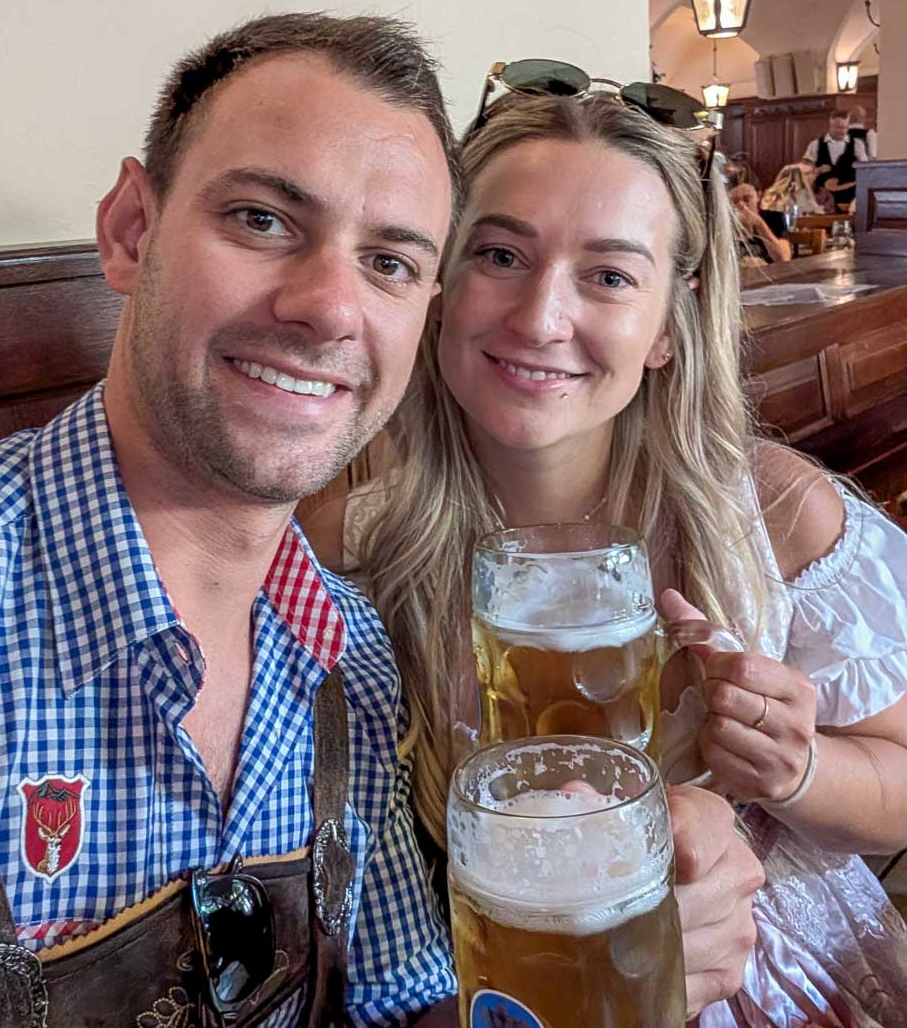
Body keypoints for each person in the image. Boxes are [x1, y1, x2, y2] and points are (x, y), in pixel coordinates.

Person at [309, 85, 907, 1027]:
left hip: (775, 971)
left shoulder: (770, 510)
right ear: (437, 283)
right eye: (500, 255)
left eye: (610, 277)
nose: (542, 317)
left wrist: (795, 772)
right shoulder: (348, 540)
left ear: (670, 326)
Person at [0, 12, 465, 1027]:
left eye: (390, 264)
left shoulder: (353, 658)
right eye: (264, 221)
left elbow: (405, 1004)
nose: (329, 308)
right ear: (132, 230)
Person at [804, 109, 868, 212]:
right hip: (823, 201)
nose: (842, 131)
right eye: (838, 127)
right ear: (830, 126)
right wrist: (818, 170)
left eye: (845, 127)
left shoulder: (857, 144)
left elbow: (865, 169)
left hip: (849, 199)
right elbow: (805, 171)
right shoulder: (816, 145)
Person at [730, 182, 792, 263]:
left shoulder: (775, 217)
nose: (741, 205)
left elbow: (784, 258)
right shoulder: (725, 223)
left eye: (747, 199)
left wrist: (760, 224)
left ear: (758, 196)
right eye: (735, 201)